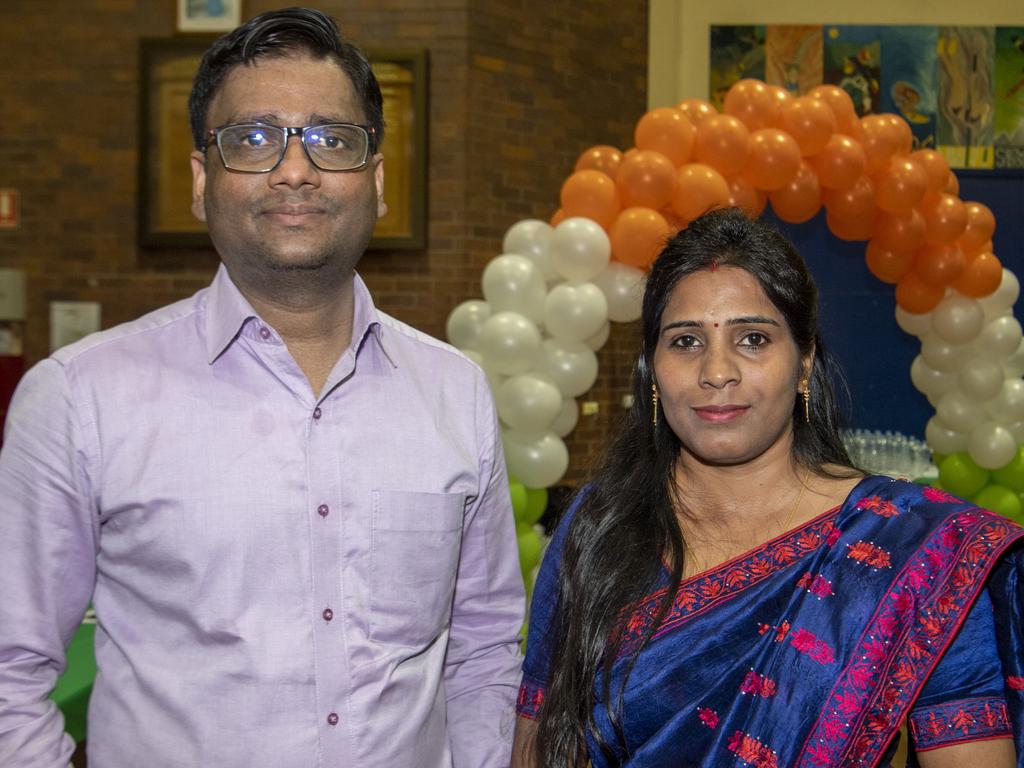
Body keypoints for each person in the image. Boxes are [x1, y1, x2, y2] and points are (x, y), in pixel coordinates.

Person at [0, 8, 524, 767]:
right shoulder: (82, 398)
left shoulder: (454, 393)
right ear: (199, 178)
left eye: (330, 139)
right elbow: (10, 673)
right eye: (251, 139)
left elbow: (482, 650)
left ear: (376, 182)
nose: (294, 169)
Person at [512, 208, 1024, 767]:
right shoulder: (602, 524)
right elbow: (540, 743)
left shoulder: (916, 553)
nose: (717, 371)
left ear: (803, 364)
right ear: (652, 370)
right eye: (685, 341)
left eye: (752, 338)